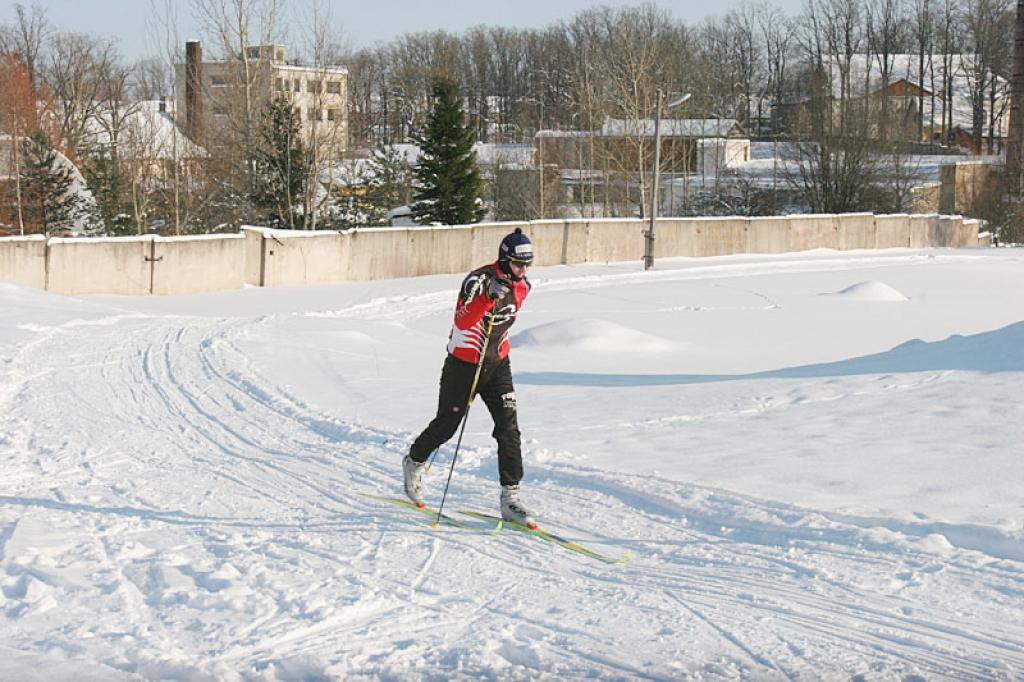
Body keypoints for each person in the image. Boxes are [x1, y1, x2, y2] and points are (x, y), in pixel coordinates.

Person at [403, 227, 535, 526]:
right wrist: (487, 299)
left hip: (498, 364)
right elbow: (462, 320)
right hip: (463, 364)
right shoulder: (478, 280)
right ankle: (414, 461)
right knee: (447, 425)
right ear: (504, 259)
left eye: (527, 265)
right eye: (517, 264)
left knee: (509, 429)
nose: (522, 270)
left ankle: (510, 498)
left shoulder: (524, 286)